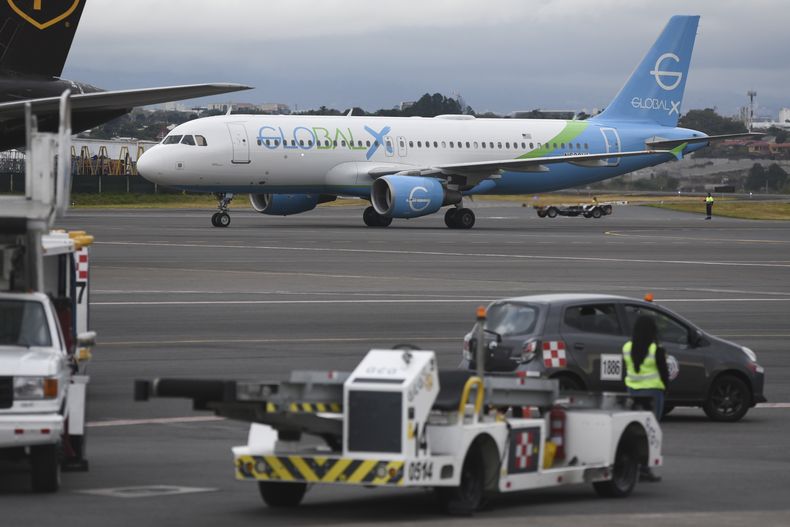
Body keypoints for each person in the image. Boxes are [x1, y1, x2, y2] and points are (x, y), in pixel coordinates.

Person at [623, 315, 669, 482]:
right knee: (650, 432)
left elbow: (624, 370)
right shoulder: (656, 349)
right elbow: (664, 374)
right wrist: (665, 389)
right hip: (652, 394)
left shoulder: (627, 347)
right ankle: (645, 468)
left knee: (634, 431)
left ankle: (632, 466)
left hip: (632, 393)